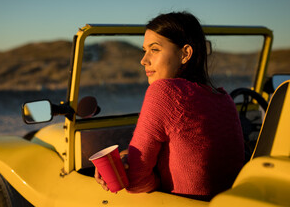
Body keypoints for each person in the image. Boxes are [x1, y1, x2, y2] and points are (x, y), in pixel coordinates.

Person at [95, 11, 244, 201]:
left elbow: (135, 180)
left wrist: (142, 174)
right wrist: (128, 157)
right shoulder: (224, 98)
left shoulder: (164, 92)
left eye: (154, 49)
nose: (143, 60)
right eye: (144, 50)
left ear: (185, 54)